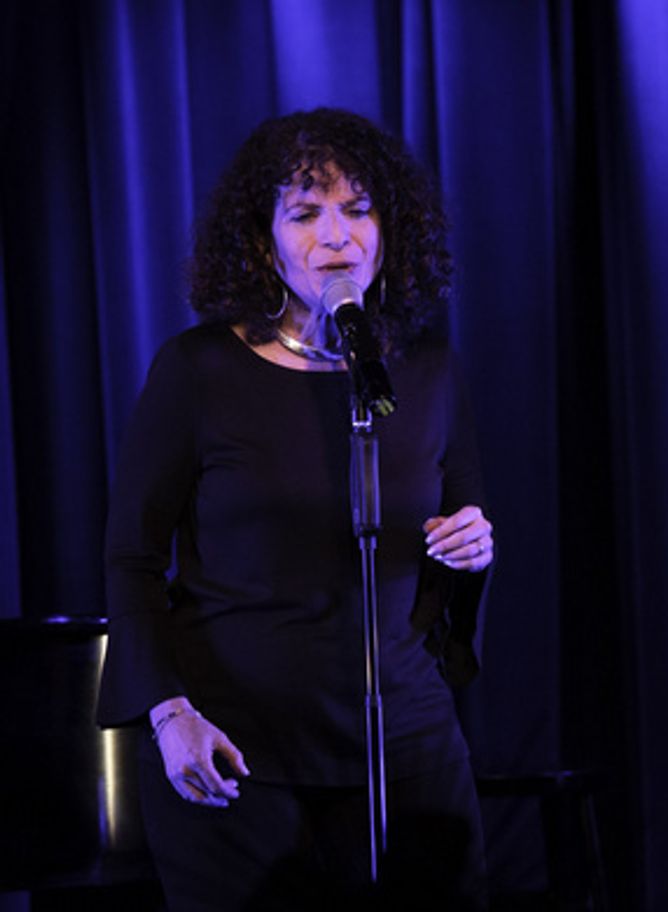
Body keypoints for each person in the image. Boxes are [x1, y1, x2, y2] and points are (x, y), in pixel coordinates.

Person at [97, 108, 493, 911]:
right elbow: (132, 559)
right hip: (236, 750)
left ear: (392, 228)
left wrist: (473, 550)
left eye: (358, 209)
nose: (337, 236)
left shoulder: (425, 374)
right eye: (306, 214)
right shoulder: (198, 370)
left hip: (402, 745)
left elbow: (455, 553)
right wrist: (169, 715)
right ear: (264, 240)